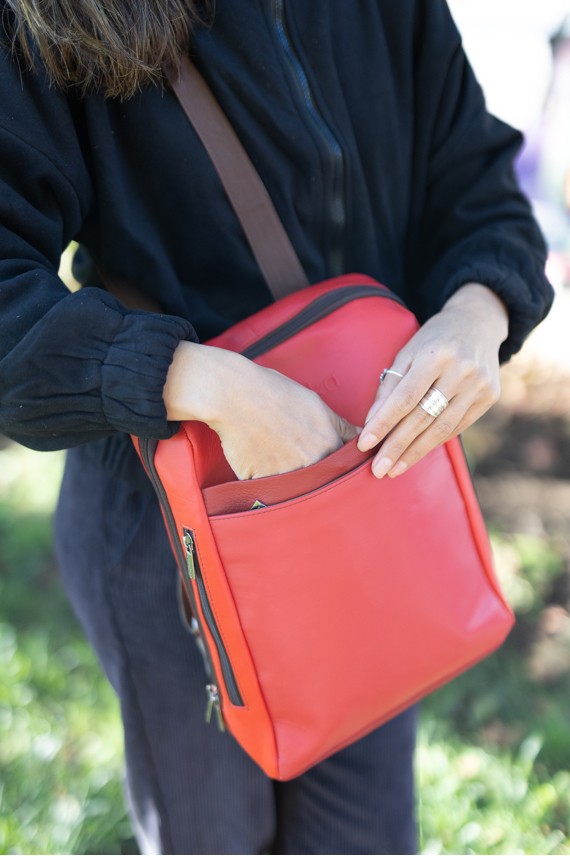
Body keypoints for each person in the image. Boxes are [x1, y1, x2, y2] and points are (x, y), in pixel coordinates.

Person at [0, 1, 554, 853]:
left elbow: (473, 179)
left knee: (366, 836)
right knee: (211, 837)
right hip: (174, 524)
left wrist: (479, 312)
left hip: (368, 495)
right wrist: (219, 389)